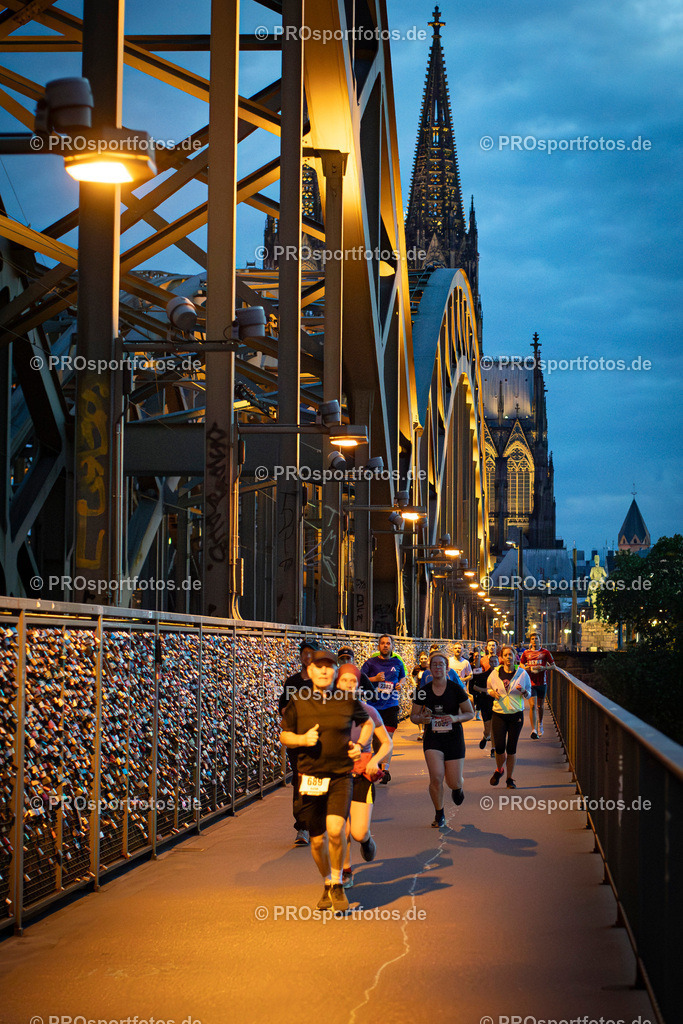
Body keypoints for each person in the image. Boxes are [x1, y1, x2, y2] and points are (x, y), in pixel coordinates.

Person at [280, 648, 373, 914]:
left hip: (341, 776)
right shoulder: (299, 700)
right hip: (309, 778)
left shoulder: (346, 699)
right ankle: (327, 881)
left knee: (335, 829)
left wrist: (360, 745)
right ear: (310, 671)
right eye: (318, 667)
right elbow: (284, 735)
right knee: (318, 841)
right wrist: (301, 740)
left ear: (335, 672)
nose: (323, 671)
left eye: (328, 667)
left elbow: (366, 723)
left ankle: (338, 883)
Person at [335, 663, 392, 888]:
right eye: (344, 680)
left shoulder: (368, 711)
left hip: (361, 776)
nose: (349, 685)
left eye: (353, 681)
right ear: (336, 684)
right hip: (336, 776)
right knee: (341, 828)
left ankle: (366, 840)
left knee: (358, 832)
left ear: (358, 685)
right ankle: (345, 869)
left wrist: (376, 761)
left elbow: (387, 742)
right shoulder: (327, 710)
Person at [410, 650, 474, 827]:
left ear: (447, 669)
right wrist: (422, 719)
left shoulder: (456, 689)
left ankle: (457, 787)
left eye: (441, 664)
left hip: (454, 738)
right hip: (433, 739)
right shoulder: (423, 692)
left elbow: (470, 713)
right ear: (429, 669)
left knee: (452, 781)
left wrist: (455, 718)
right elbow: (413, 716)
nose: (438, 667)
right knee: (436, 777)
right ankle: (439, 814)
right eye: (434, 664)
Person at [278, 638, 320, 846]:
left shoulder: (322, 681)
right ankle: (302, 826)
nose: (307, 655)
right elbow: (282, 708)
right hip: (296, 738)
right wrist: (289, 711)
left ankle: (316, 818)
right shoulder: (292, 682)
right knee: (299, 778)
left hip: (318, 738)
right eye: (304, 652)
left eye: (311, 652)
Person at [361, 634, 406, 783]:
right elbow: (361, 679)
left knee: (389, 737)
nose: (385, 645)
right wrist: (374, 679)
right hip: (373, 706)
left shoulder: (397, 662)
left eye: (388, 643)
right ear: (378, 646)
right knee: (376, 738)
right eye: (382, 643)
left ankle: (385, 770)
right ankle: (378, 762)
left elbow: (403, 677)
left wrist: (401, 684)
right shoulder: (370, 663)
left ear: (392, 646)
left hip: (391, 704)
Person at [487, 645, 532, 789]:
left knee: (511, 748)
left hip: (515, 714)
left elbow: (529, 693)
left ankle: (509, 779)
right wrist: (492, 693)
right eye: (505, 655)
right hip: (499, 713)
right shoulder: (494, 673)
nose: (508, 658)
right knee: (499, 747)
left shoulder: (522, 674)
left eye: (510, 655)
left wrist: (524, 692)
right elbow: (488, 688)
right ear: (501, 657)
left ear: (515, 657)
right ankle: (499, 769)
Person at [520, 633, 555, 738]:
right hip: (530, 683)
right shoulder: (526, 653)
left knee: (540, 706)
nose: (534, 641)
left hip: (542, 682)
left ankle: (541, 724)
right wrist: (526, 668)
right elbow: (521, 664)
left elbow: (553, 666)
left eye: (536, 639)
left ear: (540, 640)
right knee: (533, 706)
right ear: (530, 641)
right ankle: (534, 730)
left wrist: (544, 668)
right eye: (532, 639)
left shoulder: (545, 652)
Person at [471, 639, 498, 756]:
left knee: (495, 727)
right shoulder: (483, 675)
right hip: (485, 702)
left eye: (495, 661)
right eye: (491, 662)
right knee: (488, 727)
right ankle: (485, 736)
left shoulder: (501, 675)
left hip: (498, 703)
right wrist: (486, 691)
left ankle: (494, 749)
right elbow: (474, 686)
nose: (493, 663)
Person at [411, 652, 429, 739]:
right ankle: (421, 731)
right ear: (419, 660)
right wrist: (414, 682)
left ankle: (427, 730)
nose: (423, 660)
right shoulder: (417, 668)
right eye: (422, 659)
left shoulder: (430, 668)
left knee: (427, 710)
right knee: (419, 711)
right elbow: (412, 676)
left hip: (428, 692)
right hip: (419, 691)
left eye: (425, 658)